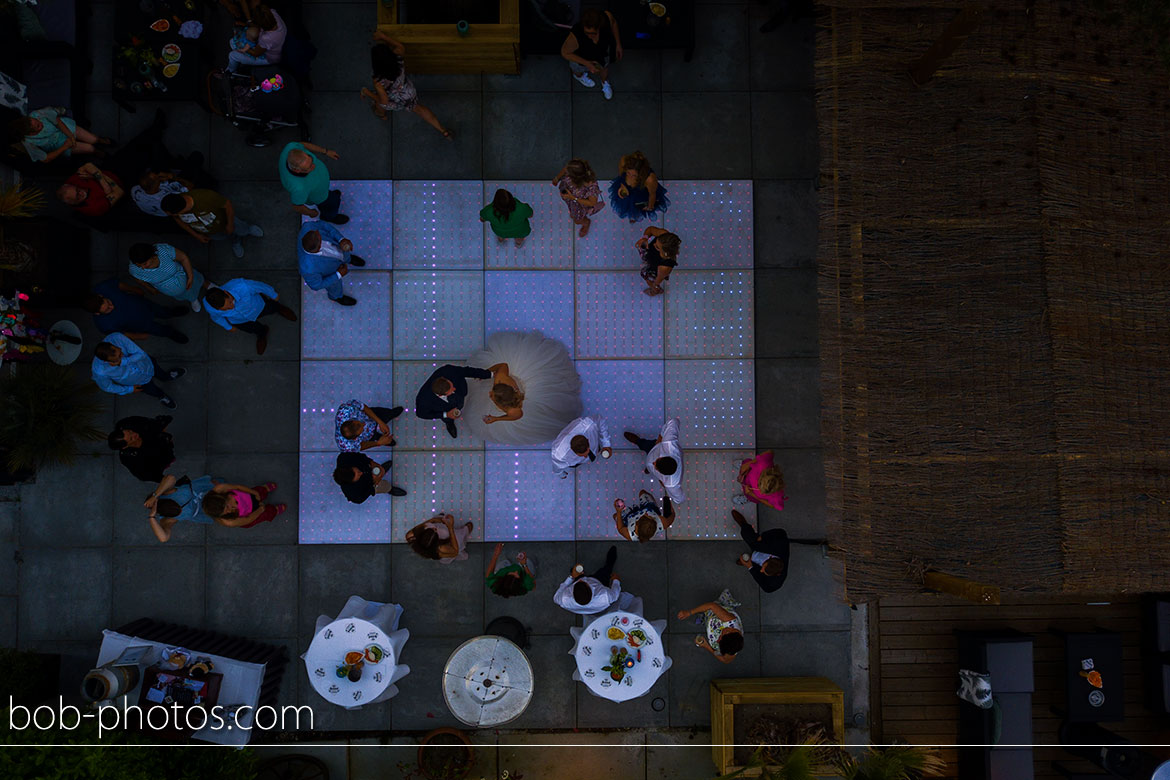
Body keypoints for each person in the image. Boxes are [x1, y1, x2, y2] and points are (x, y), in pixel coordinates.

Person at [463, 331, 583, 445]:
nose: (489, 393)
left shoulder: (515, 412)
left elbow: (509, 417)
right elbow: (503, 365)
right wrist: (486, 372)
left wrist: (495, 419)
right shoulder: (501, 377)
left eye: (492, 395)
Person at [360, 30, 453, 138]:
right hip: (407, 92)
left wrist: (366, 92)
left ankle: (381, 115)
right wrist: (384, 37)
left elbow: (384, 101)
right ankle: (443, 130)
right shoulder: (398, 59)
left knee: (379, 106)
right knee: (419, 108)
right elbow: (399, 46)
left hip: (394, 101)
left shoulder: (378, 81)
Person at [203, 278, 296, 355]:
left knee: (271, 307)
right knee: (253, 329)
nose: (231, 307)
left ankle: (280, 308)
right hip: (240, 321)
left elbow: (260, 286)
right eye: (226, 309)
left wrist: (273, 294)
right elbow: (216, 317)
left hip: (258, 307)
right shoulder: (209, 307)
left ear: (226, 293)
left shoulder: (242, 286)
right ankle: (262, 333)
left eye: (230, 302)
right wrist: (228, 326)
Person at [161, 189, 263, 259]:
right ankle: (236, 241)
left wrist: (230, 224)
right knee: (226, 236)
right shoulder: (177, 211)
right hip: (210, 231)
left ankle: (248, 229)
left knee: (241, 229)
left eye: (174, 214)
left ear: (181, 210)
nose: (173, 216)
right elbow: (179, 221)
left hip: (225, 221)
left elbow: (227, 205)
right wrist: (197, 235)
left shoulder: (205, 198)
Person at [91, 333, 185, 409]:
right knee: (152, 390)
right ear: (106, 361)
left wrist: (122, 361)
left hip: (147, 365)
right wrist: (129, 389)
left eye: (119, 351)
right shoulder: (99, 371)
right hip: (138, 382)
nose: (122, 354)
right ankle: (161, 396)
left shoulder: (116, 337)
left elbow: (141, 354)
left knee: (160, 372)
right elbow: (108, 387)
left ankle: (166, 376)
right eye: (118, 357)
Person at [83, 278, 189, 343]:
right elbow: (121, 334)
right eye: (107, 310)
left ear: (101, 296)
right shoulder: (104, 325)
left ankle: (171, 312)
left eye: (109, 302)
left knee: (162, 311)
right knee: (159, 330)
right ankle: (171, 333)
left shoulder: (103, 287)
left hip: (143, 305)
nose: (112, 307)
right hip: (141, 325)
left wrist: (134, 289)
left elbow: (119, 285)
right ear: (97, 313)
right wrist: (138, 336)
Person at [298, 220, 366, 307]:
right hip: (332, 274)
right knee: (335, 288)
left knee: (345, 254)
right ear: (319, 247)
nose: (319, 232)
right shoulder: (307, 269)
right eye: (320, 237)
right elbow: (316, 285)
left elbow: (324, 225)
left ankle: (349, 259)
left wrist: (341, 239)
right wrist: (338, 274)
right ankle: (337, 297)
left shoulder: (308, 227)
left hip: (341, 252)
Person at [414, 364, 493, 438]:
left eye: (452, 385)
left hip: (461, 393)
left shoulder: (448, 371)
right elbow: (421, 414)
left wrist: (489, 374)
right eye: (451, 390)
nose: (454, 389)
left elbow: (468, 371)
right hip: (445, 409)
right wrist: (446, 415)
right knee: (448, 419)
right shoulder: (424, 400)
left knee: (461, 401)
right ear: (441, 395)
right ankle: (449, 423)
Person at [278, 141, 349, 224]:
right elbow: (297, 206)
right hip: (319, 197)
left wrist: (325, 151)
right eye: (309, 167)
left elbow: (303, 145)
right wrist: (310, 212)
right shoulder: (299, 188)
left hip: (320, 188)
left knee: (331, 196)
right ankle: (329, 217)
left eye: (310, 158)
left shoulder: (291, 148)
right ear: (297, 170)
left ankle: (330, 195)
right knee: (331, 205)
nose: (314, 166)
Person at [128, 243, 209, 313]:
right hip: (171, 290)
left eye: (145, 263)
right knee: (187, 294)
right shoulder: (133, 269)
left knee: (197, 280)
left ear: (152, 256)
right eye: (138, 265)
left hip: (185, 276)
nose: (142, 268)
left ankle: (206, 285)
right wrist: (149, 288)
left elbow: (183, 257)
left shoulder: (163, 250)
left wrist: (190, 277)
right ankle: (193, 299)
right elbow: (138, 279)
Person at [10, 107, 111, 163]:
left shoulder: (37, 114)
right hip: (59, 144)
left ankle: (101, 140)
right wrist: (65, 147)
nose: (40, 123)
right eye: (38, 126)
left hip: (64, 128)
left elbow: (57, 122)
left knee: (93, 139)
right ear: (30, 133)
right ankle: (98, 152)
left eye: (36, 120)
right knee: (90, 148)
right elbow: (46, 159)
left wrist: (71, 135)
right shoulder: (28, 143)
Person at [560, 8, 622, 100]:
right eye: (587, 33)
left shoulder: (607, 17)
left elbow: (614, 23)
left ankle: (604, 82)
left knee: (604, 68)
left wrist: (618, 44)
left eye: (593, 33)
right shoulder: (576, 34)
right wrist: (587, 63)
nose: (589, 36)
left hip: (602, 53)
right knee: (577, 70)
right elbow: (565, 52)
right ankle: (580, 77)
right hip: (581, 58)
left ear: (600, 27)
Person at [624, 418, 685, 504]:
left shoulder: (671, 483)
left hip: (656, 452)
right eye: (656, 462)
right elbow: (674, 421)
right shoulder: (669, 443)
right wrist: (660, 438)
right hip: (654, 447)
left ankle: (649, 469)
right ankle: (638, 441)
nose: (653, 463)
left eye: (656, 467)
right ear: (664, 456)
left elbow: (680, 499)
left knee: (649, 466)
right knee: (644, 444)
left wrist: (666, 486)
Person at [677, 589, 744, 663]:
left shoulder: (732, 648)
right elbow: (711, 606)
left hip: (714, 624)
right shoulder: (729, 620)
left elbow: (725, 660)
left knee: (707, 617)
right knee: (714, 607)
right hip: (716, 615)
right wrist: (689, 613)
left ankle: (704, 618)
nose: (718, 640)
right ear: (728, 631)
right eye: (720, 637)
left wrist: (706, 646)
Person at [144, 474, 217, 542]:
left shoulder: (165, 492)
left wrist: (155, 496)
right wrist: (151, 517)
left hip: (206, 489)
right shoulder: (166, 519)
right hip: (207, 509)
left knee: (222, 488)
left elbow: (170, 478)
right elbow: (164, 538)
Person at [732, 510, 790, 593]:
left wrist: (750, 567)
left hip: (756, 560)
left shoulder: (777, 581)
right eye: (763, 566)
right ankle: (743, 523)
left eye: (763, 570)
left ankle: (748, 561)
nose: (761, 570)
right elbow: (781, 532)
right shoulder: (780, 544)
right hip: (760, 546)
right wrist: (763, 536)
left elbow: (768, 589)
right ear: (769, 557)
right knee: (748, 536)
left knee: (752, 565)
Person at [552, 545, 620, 615]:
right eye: (584, 582)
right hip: (599, 581)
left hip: (589, 609)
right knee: (606, 570)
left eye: (577, 583)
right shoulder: (605, 596)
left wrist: (571, 576)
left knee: (576, 572)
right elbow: (615, 594)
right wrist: (616, 580)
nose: (582, 580)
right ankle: (610, 562)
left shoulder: (565, 600)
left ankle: (575, 572)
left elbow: (556, 597)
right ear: (590, 588)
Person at [608, 151, 669, 223]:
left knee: (637, 210)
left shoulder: (650, 179)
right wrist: (622, 187)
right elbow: (621, 176)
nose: (630, 177)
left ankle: (635, 216)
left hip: (640, 194)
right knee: (626, 206)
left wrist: (650, 207)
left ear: (641, 173)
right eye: (628, 173)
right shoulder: (624, 161)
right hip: (626, 190)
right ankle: (632, 215)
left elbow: (652, 194)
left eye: (634, 175)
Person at [109, 415, 174, 482]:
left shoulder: (129, 424)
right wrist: (165, 481)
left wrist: (161, 428)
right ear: (125, 447)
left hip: (157, 442)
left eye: (129, 431)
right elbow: (147, 475)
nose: (135, 434)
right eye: (131, 438)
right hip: (156, 459)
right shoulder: (130, 459)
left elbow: (152, 423)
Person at [552, 158, 605, 237]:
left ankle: (586, 223)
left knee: (577, 220)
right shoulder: (575, 167)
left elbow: (592, 202)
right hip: (571, 199)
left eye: (568, 173)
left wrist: (573, 198)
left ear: (576, 178)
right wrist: (557, 178)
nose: (566, 172)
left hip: (579, 204)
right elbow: (566, 168)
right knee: (573, 213)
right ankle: (573, 212)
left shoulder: (591, 186)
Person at [201, 481, 287, 528]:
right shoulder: (229, 522)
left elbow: (237, 487)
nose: (229, 510)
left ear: (223, 497)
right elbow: (248, 519)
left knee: (259, 492)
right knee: (263, 515)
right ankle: (273, 511)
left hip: (247, 497)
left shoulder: (219, 489)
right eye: (226, 513)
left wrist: (254, 492)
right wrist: (260, 510)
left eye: (227, 506)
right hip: (249, 514)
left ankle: (263, 489)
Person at [225, 5, 286, 72]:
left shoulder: (267, 38)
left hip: (269, 58)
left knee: (233, 55)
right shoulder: (273, 13)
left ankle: (229, 72)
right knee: (232, 42)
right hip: (275, 47)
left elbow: (256, 53)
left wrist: (242, 48)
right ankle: (241, 60)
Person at [333, 452, 407, 504]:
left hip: (368, 467)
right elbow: (369, 491)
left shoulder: (343, 458)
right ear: (351, 483)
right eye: (358, 476)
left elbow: (361, 456)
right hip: (370, 484)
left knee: (378, 470)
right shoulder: (355, 495)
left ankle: (381, 469)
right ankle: (390, 489)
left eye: (358, 471)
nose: (361, 473)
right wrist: (375, 481)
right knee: (384, 486)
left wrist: (374, 464)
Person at [57, 162, 123, 217]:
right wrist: (96, 176)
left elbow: (88, 165)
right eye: (77, 197)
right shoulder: (94, 208)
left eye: (78, 190)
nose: (81, 193)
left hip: (108, 168)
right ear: (72, 203)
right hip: (121, 182)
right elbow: (120, 192)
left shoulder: (70, 184)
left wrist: (101, 181)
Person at [335, 399, 403, 452]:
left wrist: (380, 422)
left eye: (360, 423)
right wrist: (378, 443)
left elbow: (363, 407)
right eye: (362, 428)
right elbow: (360, 447)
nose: (364, 424)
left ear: (351, 420)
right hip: (370, 436)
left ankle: (391, 413)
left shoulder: (346, 409)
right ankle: (386, 441)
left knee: (387, 414)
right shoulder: (346, 446)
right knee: (383, 440)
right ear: (355, 438)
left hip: (371, 415)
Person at [405, 515, 473, 564]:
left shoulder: (411, 536)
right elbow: (455, 551)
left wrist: (438, 520)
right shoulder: (441, 548)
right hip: (452, 542)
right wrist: (450, 527)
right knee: (468, 528)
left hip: (443, 541)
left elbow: (429, 522)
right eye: (435, 532)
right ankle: (464, 533)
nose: (435, 528)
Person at [635, 227, 680, 297]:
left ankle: (654, 291)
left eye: (657, 247)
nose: (653, 244)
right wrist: (645, 238)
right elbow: (650, 230)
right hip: (650, 256)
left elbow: (659, 279)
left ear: (665, 253)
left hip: (654, 267)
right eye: (656, 241)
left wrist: (654, 285)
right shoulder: (664, 236)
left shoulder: (665, 267)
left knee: (651, 281)